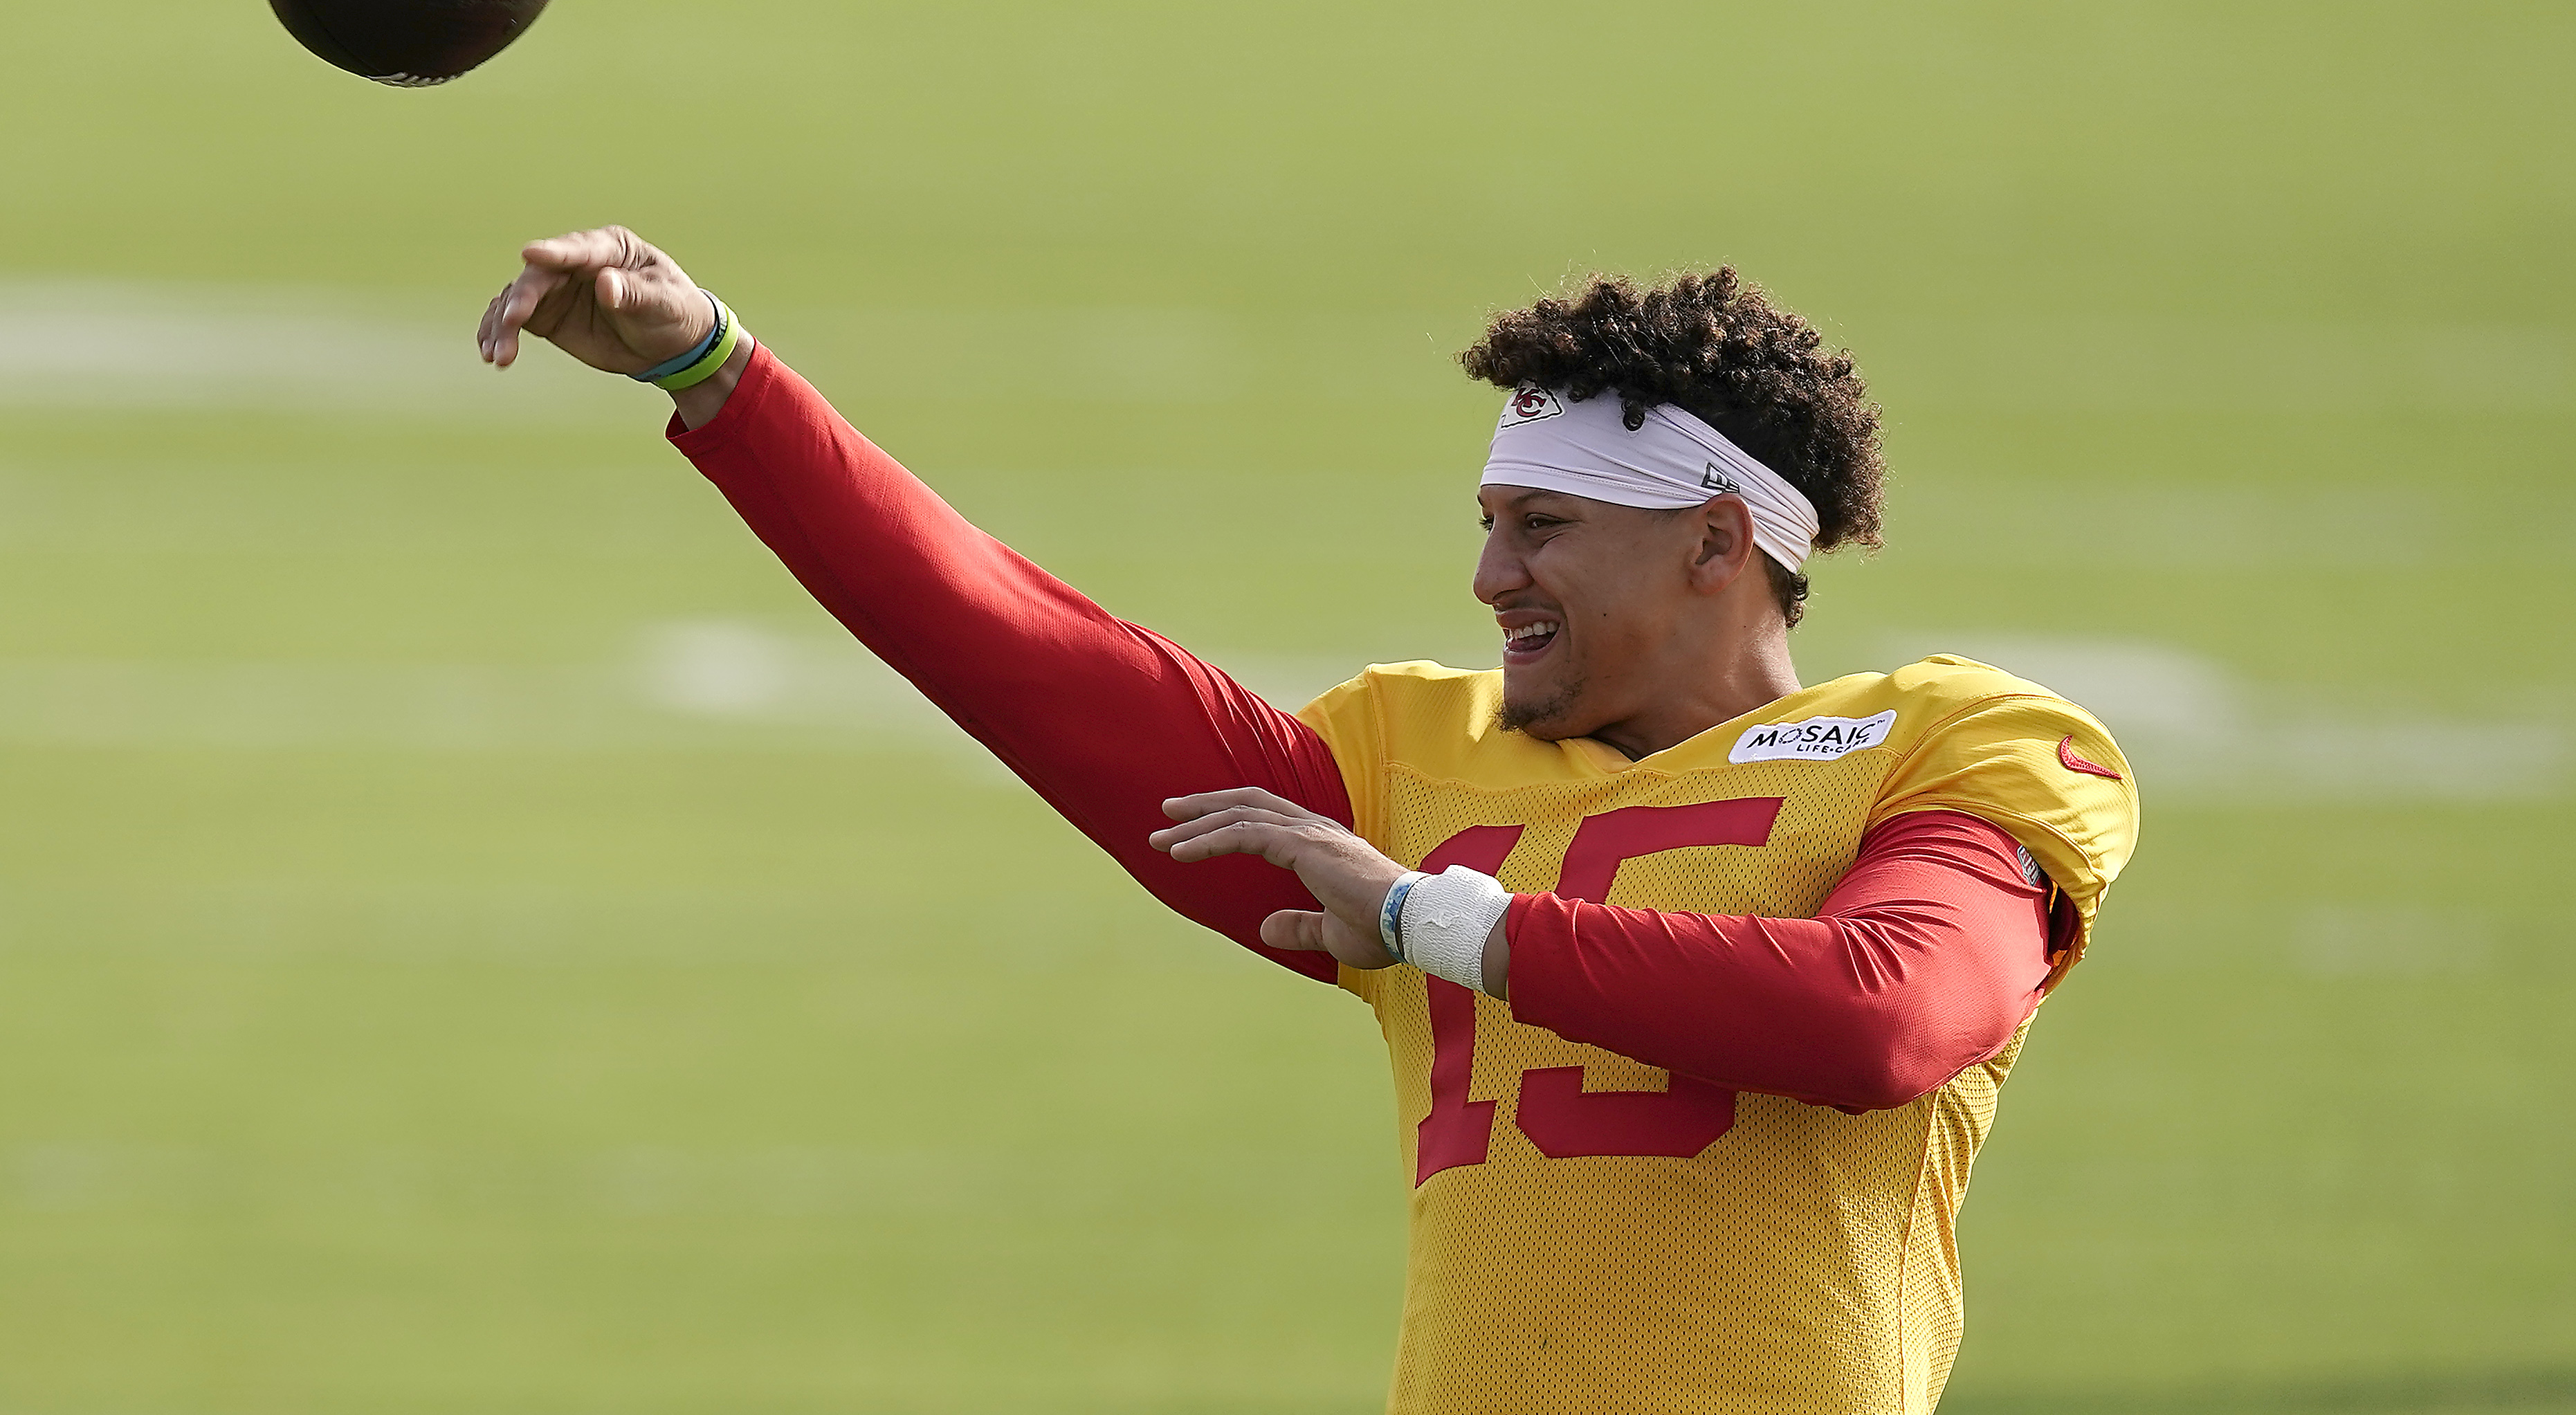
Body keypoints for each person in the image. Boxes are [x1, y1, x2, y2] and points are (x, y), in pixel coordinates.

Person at [478, 226, 2137, 1415]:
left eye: (1543, 525)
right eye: (1487, 520)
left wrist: (1428, 915)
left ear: (1713, 542)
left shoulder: (1947, 740)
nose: (1488, 574)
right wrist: (718, 373)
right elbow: (1026, 651)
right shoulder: (1410, 762)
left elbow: (1886, 1015)